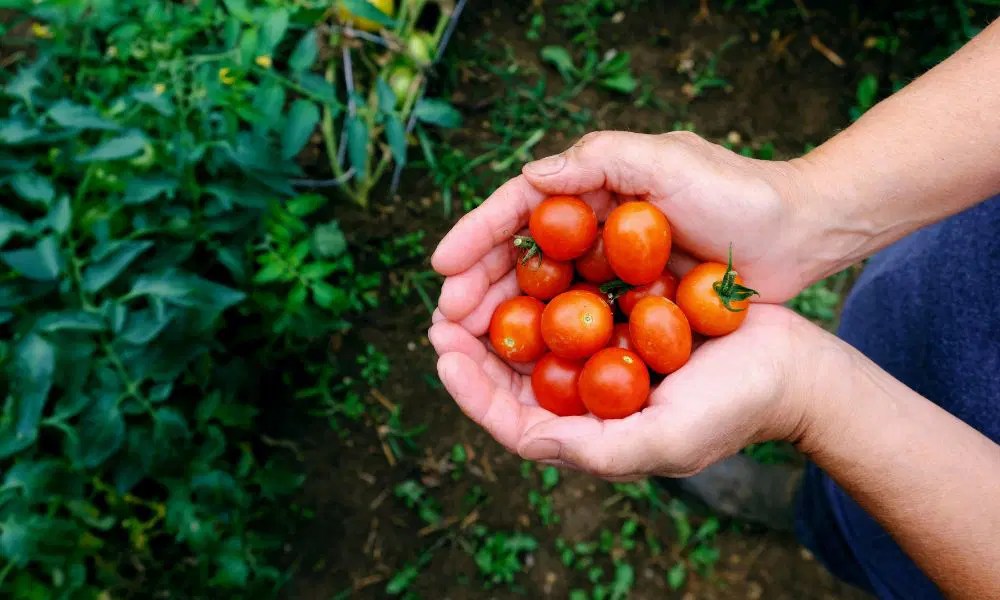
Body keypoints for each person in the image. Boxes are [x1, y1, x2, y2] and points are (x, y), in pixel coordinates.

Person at [427, 19, 1000, 600]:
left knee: (882, 543)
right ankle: (817, 505)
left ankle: (826, 521)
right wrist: (804, 210)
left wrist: (814, 397)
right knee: (891, 326)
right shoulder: (637, 295)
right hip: (958, 276)